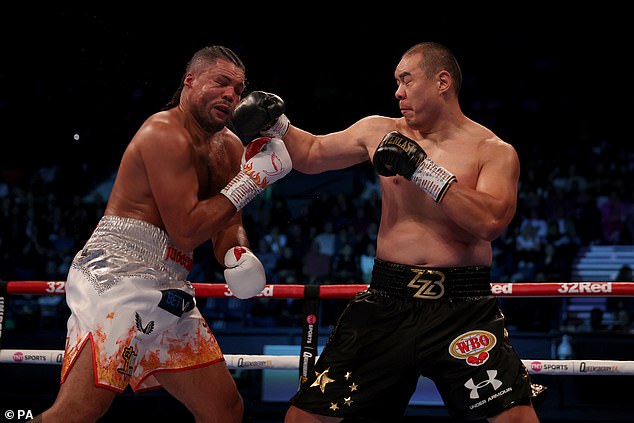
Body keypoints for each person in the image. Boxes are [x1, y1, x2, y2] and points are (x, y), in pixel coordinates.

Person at [232, 42, 540, 422]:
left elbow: (491, 223)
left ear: (442, 81)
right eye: (396, 82)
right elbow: (312, 153)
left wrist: (422, 170)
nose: (398, 92)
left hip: (462, 307)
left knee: (515, 419)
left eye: (407, 80)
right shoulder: (380, 130)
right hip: (387, 299)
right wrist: (275, 124)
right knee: (304, 417)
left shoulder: (493, 150)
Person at [30, 45, 292, 423]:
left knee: (225, 409)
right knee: (77, 413)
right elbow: (186, 231)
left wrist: (238, 254)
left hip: (170, 285)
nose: (231, 95)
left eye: (238, 89)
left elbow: (226, 221)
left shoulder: (230, 146)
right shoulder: (163, 132)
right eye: (221, 83)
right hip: (117, 274)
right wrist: (253, 179)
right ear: (190, 81)